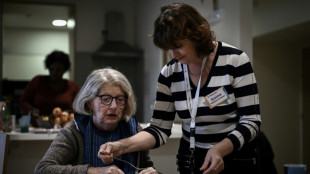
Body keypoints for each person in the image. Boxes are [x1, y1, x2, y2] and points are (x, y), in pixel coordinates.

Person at [98, 3, 261, 174]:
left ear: (197, 35)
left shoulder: (235, 60)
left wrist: (219, 149)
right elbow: (159, 129)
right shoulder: (170, 73)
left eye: (178, 46)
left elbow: (251, 121)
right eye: (168, 48)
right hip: (191, 159)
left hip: (235, 158)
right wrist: (120, 146)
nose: (173, 55)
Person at [34, 67, 158, 174]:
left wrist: (153, 172)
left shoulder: (135, 131)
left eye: (120, 99)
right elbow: (42, 169)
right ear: (89, 103)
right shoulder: (74, 132)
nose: (114, 106)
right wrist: (95, 171)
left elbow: (145, 166)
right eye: (105, 99)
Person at [19, 50, 79, 127]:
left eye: (58, 70)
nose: (54, 73)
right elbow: (23, 101)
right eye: (51, 69)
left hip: (63, 129)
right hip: (38, 128)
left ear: (64, 70)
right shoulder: (38, 81)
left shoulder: (72, 87)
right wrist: (31, 110)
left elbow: (80, 108)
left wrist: (69, 113)